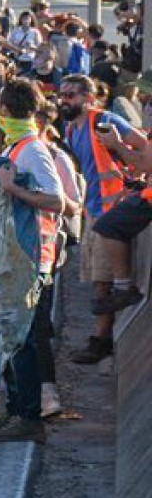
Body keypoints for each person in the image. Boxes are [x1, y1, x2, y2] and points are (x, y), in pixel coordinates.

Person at [0, 80, 75, 442]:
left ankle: (30, 418)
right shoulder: (18, 147)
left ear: (4, 110)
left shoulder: (33, 149)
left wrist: (12, 189)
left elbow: (57, 200)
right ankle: (17, 410)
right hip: (17, 254)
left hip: (33, 256)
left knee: (25, 339)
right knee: (14, 337)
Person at [63, 74, 150, 363]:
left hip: (112, 209)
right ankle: (101, 341)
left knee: (103, 281)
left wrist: (134, 176)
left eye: (72, 95)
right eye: (63, 95)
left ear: (88, 99)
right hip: (93, 210)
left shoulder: (103, 120)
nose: (65, 100)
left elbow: (141, 145)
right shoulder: (70, 129)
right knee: (96, 280)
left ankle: (100, 343)